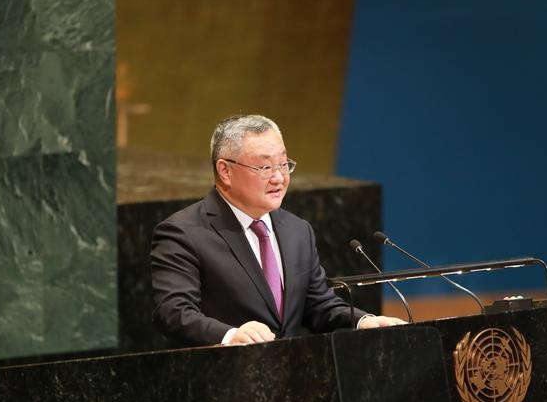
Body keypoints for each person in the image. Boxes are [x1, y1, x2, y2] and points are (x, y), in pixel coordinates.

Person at [150, 114, 404, 347]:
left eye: (283, 165)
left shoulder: (297, 230)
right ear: (225, 171)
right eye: (265, 168)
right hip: (224, 374)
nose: (279, 178)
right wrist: (229, 335)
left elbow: (317, 304)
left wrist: (362, 321)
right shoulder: (184, 232)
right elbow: (173, 311)